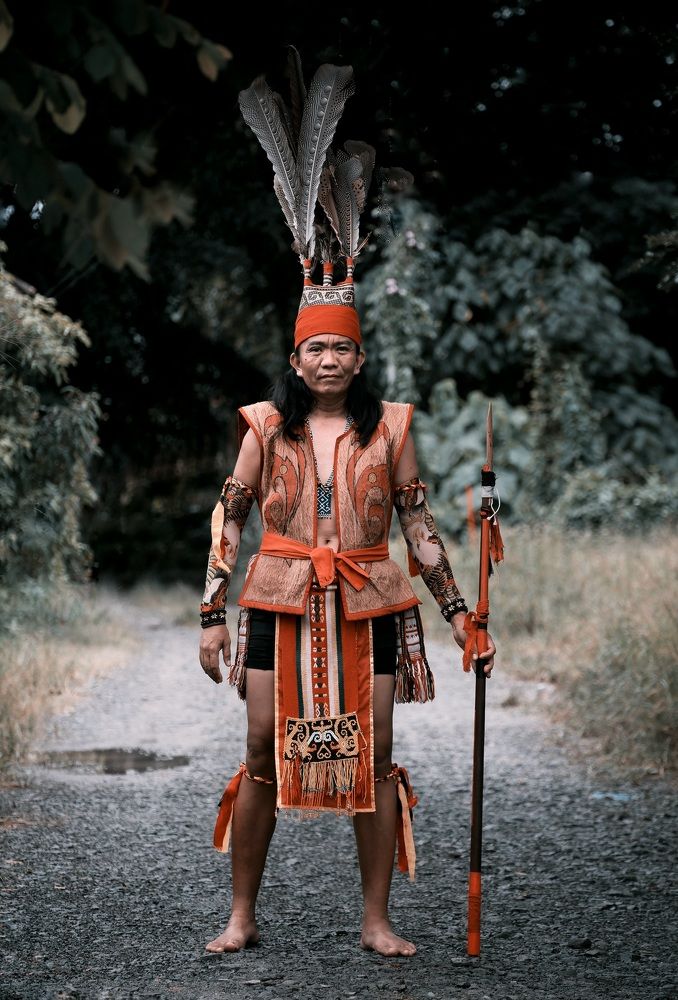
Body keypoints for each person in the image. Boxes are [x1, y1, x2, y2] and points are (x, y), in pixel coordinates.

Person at [197, 57, 496, 958]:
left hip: (369, 601)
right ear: (296, 360)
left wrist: (460, 615)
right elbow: (229, 516)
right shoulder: (263, 424)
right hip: (279, 599)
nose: (328, 362)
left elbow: (418, 526)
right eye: (314, 351)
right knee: (261, 748)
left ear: (360, 359)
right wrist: (211, 615)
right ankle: (242, 914)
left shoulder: (391, 427)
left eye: (341, 350)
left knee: (373, 753)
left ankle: (376, 920)